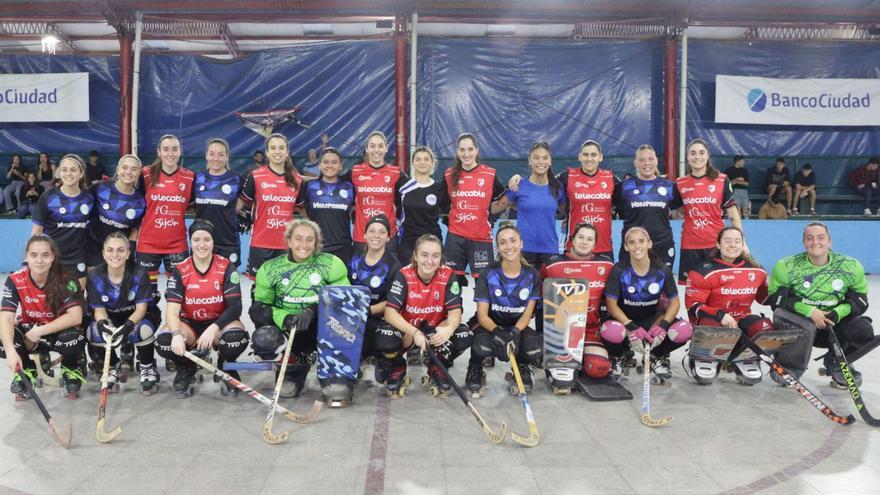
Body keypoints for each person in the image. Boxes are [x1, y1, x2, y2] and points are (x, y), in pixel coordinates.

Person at [249, 219, 348, 398]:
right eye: (298, 239)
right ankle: (293, 368)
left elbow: (344, 300)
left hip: (323, 326)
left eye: (310, 240)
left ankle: (334, 373)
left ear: (316, 243)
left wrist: (313, 310)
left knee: (344, 325)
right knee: (265, 337)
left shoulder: (331, 264)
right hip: (291, 328)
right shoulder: (271, 268)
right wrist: (285, 317)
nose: (304, 244)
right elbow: (260, 309)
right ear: (289, 241)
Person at [768, 223, 875, 387]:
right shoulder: (786, 266)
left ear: (829, 241)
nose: (815, 242)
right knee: (800, 324)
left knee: (863, 329)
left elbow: (860, 301)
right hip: (801, 324)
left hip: (832, 324)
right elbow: (777, 300)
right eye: (809, 238)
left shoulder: (850, 266)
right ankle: (789, 366)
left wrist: (837, 312)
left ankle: (837, 362)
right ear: (804, 242)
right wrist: (810, 311)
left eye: (820, 237)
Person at [155, 221, 246, 398]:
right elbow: (172, 311)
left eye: (207, 239)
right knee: (164, 341)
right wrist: (175, 335)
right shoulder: (180, 270)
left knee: (236, 338)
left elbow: (236, 307)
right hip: (189, 324)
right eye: (196, 239)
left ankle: (227, 365)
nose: (202, 245)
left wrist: (214, 328)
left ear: (213, 241)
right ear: (190, 241)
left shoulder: (226, 266)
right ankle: (185, 367)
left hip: (220, 323)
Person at [379, 234, 470, 397]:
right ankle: (397, 366)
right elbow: (389, 313)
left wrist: (448, 329)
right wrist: (414, 332)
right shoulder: (404, 275)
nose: (430, 261)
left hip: (434, 331)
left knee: (464, 335)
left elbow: (455, 312)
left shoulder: (448, 275)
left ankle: (437, 364)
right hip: (409, 332)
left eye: (435, 256)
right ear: (415, 255)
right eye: (424, 255)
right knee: (384, 337)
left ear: (441, 257)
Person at [0, 235, 85, 400]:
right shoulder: (15, 279)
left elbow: (76, 316)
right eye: (34, 255)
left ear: (52, 257)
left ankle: (71, 367)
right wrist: (11, 351)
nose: (39, 260)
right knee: (3, 339)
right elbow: (6, 318)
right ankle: (27, 369)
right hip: (30, 332)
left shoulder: (66, 277)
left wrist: (39, 331)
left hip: (58, 331)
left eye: (45, 255)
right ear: (27, 257)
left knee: (73, 338)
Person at [602, 227, 692, 383]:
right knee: (609, 331)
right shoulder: (619, 270)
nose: (637, 246)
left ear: (649, 243)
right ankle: (618, 357)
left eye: (641, 241)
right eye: (632, 242)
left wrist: (663, 325)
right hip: (624, 321)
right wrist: (630, 326)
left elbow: (675, 302)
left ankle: (655, 356)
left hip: (652, 319)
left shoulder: (662, 270)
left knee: (684, 330)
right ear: (625, 247)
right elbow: (611, 305)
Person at [685, 227, 770, 385]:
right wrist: (720, 315)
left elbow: (764, 300)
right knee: (711, 324)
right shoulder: (702, 271)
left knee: (764, 326)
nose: (732, 245)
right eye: (727, 241)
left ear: (743, 244)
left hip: (741, 321)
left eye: (737, 241)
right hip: (714, 323)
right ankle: (706, 355)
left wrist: (781, 294)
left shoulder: (757, 271)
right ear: (718, 244)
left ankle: (744, 357)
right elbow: (693, 306)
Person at [510, 139, 620, 259]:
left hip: (604, 247)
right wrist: (519, 178)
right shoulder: (567, 176)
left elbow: (624, 202)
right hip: (574, 247)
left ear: (601, 157)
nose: (589, 159)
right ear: (579, 157)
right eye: (585, 154)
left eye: (593, 155)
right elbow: (543, 179)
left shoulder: (611, 178)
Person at [467, 225, 541, 395]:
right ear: (498, 247)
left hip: (516, 325)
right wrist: (498, 331)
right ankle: (475, 368)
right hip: (490, 325)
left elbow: (527, 314)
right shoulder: (488, 273)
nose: (508, 247)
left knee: (534, 347)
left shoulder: (532, 275)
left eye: (513, 240)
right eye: (503, 242)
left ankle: (520, 369)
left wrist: (515, 332)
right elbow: (482, 315)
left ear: (521, 243)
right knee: (481, 346)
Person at [86, 232, 161, 394]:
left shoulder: (140, 274)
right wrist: (103, 324)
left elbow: (141, 309)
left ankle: (147, 366)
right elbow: (99, 310)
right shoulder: (94, 276)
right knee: (94, 332)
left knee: (142, 330)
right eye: (110, 250)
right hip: (111, 316)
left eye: (120, 250)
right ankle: (114, 366)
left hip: (136, 316)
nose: (115, 254)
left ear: (128, 254)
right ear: (104, 254)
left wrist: (128, 325)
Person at [543, 223, 617, 384]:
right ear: (572, 240)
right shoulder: (552, 265)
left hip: (591, 330)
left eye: (590, 239)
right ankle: (563, 360)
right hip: (561, 333)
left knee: (599, 369)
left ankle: (583, 359)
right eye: (581, 237)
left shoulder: (607, 265)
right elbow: (543, 296)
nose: (584, 242)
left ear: (595, 243)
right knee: (562, 380)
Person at [438, 133, 508, 287]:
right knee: (452, 282)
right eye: (462, 150)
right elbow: (441, 203)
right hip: (455, 238)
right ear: (457, 152)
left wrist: (489, 215)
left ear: (477, 150)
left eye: (470, 149)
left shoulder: (490, 174)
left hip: (480, 238)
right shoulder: (449, 175)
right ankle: (455, 311)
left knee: (483, 282)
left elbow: (504, 199)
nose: (466, 154)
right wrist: (448, 219)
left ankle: (480, 312)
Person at [136, 134, 195, 310]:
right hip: (148, 244)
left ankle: (173, 330)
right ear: (159, 152)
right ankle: (145, 329)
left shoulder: (189, 177)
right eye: (166, 149)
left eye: (175, 149)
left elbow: (196, 206)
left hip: (177, 244)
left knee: (176, 295)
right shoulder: (145, 174)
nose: (171, 153)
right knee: (148, 295)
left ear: (180, 151)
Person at [673, 139, 743, 284]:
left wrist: (741, 241)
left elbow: (732, 212)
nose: (697, 157)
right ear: (687, 157)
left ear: (708, 155)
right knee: (693, 289)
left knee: (718, 287)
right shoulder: (680, 183)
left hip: (716, 244)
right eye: (692, 153)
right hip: (690, 245)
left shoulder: (722, 179)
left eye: (701, 153)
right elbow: (671, 208)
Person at [238, 133, 304, 278]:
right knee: (259, 291)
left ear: (287, 151)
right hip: (260, 244)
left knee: (285, 291)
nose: (277, 152)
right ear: (267, 152)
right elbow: (239, 205)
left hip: (286, 245)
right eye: (273, 148)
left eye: (281, 148)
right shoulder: (255, 176)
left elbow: (303, 210)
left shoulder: (297, 179)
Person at [495, 142, 565, 269]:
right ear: (529, 160)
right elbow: (497, 206)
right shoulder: (518, 185)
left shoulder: (558, 187)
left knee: (549, 289)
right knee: (525, 289)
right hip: (524, 249)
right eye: (536, 157)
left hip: (550, 250)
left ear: (550, 161)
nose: (541, 161)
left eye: (545, 157)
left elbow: (570, 211)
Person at [348, 215, 401, 373]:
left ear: (388, 237)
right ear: (364, 235)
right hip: (355, 319)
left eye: (381, 232)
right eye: (371, 231)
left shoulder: (394, 266)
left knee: (387, 338)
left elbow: (393, 302)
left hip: (381, 320)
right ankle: (355, 359)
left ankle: (383, 358)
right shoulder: (353, 262)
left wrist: (368, 310)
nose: (376, 236)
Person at [31, 154, 93, 287]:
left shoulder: (89, 197)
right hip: (52, 257)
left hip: (78, 257)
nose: (68, 173)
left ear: (81, 173)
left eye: (73, 170)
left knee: (77, 300)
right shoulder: (48, 196)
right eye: (64, 170)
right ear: (59, 173)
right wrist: (31, 258)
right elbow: (37, 231)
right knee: (52, 299)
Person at [342, 131, 408, 255]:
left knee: (388, 273)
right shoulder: (355, 172)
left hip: (387, 236)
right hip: (362, 236)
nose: (376, 150)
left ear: (386, 148)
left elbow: (414, 190)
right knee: (361, 274)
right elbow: (333, 181)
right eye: (372, 146)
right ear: (367, 149)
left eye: (380, 146)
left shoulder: (396, 173)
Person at [616, 145, 677, 268]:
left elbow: (676, 210)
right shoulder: (624, 187)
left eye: (650, 159)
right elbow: (613, 207)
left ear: (656, 161)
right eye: (642, 159)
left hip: (662, 247)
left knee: (661, 285)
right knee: (631, 286)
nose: (646, 163)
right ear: (635, 163)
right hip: (633, 247)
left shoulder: (669, 186)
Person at [86, 154, 145, 270]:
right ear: (117, 169)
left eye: (134, 169)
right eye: (124, 167)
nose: (128, 172)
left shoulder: (140, 201)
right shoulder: (99, 188)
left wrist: (129, 251)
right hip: (94, 249)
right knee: (96, 285)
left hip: (118, 253)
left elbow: (135, 229)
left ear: (139, 173)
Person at [299, 148, 355, 264]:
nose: (330, 165)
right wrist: (307, 220)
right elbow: (299, 205)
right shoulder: (310, 186)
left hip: (343, 248)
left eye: (334, 162)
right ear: (319, 165)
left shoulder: (349, 186)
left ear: (341, 166)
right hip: (316, 247)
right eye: (325, 162)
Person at [194, 138, 243, 267]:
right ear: (206, 155)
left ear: (227, 157)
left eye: (221, 155)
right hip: (202, 243)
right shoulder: (197, 179)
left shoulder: (237, 179)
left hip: (228, 242)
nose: (216, 158)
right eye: (212, 154)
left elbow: (244, 203)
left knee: (229, 284)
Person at [397, 146, 443, 266]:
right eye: (418, 159)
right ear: (413, 162)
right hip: (408, 240)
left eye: (426, 159)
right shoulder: (403, 185)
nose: (422, 162)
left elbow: (448, 211)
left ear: (432, 163)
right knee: (406, 277)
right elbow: (395, 208)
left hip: (432, 240)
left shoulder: (439, 188)